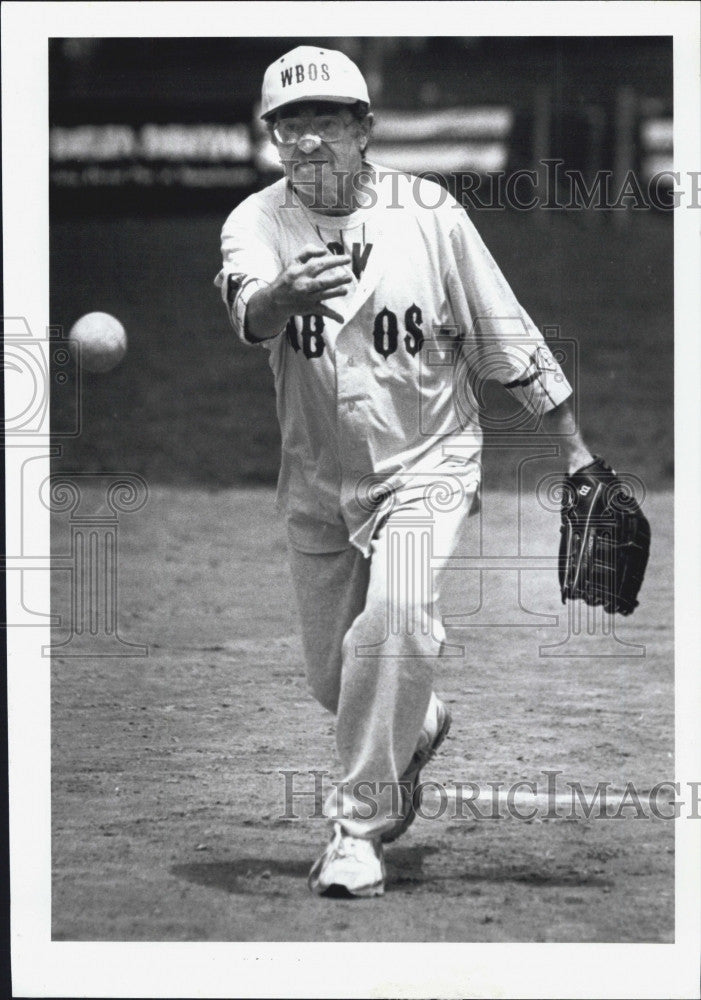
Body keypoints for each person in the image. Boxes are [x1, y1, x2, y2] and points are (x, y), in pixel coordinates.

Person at [215, 45, 594, 898]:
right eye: (290, 126)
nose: (307, 141)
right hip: (316, 481)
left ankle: (355, 828)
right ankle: (415, 719)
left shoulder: (429, 214)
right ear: (272, 138)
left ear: (363, 130)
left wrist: (571, 449)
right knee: (337, 678)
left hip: (431, 461)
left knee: (394, 618)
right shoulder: (254, 224)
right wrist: (280, 297)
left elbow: (504, 332)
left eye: (325, 122)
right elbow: (248, 307)